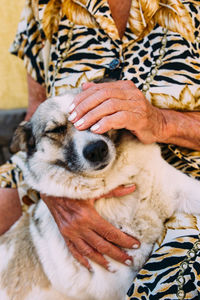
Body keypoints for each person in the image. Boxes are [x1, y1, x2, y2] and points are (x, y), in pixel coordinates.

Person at [0, 0, 200, 298]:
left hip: (176, 177)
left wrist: (161, 121)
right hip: (69, 173)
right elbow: (34, 119)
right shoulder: (46, 7)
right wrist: (53, 189)